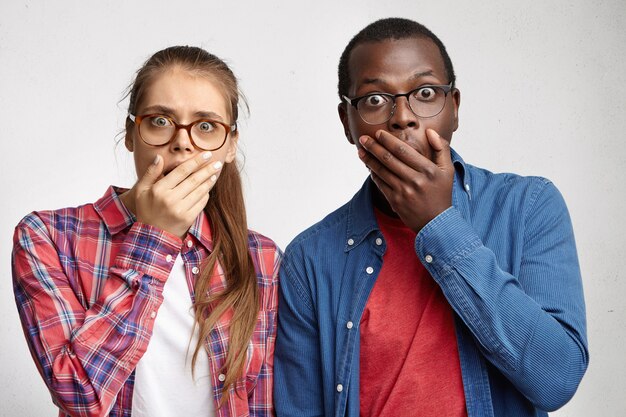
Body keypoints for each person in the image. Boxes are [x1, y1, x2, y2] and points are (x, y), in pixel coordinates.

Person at [274, 18, 588, 417]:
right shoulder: (310, 258)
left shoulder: (528, 207)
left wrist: (439, 225)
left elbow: (557, 380)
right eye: (374, 99)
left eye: (424, 93)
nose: (402, 116)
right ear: (347, 123)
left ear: (454, 109)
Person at [12, 46, 280, 417]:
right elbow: (79, 393)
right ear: (130, 133)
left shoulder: (261, 258)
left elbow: (261, 406)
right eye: (160, 121)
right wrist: (156, 236)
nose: (182, 142)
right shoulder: (48, 237)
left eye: (206, 126)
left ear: (230, 145)